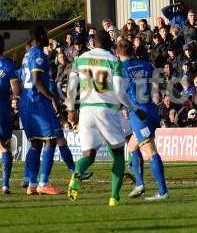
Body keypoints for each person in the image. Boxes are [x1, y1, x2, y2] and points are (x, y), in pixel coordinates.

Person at [66, 30, 137, 206]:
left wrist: (70, 109)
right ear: (110, 43)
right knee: (119, 155)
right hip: (107, 111)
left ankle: (76, 175)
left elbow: (71, 86)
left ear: (93, 43)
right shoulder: (114, 61)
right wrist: (133, 107)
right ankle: (114, 197)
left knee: (88, 155)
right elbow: (120, 92)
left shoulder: (80, 59)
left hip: (86, 111)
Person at [116, 38, 168, 201]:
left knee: (150, 151)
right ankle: (139, 184)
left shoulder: (121, 68)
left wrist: (129, 107)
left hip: (138, 113)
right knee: (132, 146)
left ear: (118, 53)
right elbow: (155, 89)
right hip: (152, 109)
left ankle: (162, 191)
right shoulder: (146, 65)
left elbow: (119, 92)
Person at [19, 26, 65, 195]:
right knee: (51, 139)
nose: (48, 37)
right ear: (39, 36)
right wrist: (52, 97)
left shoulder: (27, 55)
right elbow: (38, 81)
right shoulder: (38, 53)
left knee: (35, 144)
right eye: (46, 34)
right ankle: (43, 183)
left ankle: (32, 184)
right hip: (37, 102)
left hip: (26, 102)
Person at [0, 34, 20, 194]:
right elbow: (16, 90)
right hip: (3, 111)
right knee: (5, 147)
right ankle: (5, 184)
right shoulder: (8, 65)